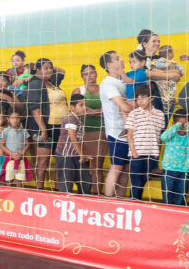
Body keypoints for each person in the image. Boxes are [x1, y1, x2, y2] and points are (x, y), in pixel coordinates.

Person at [25, 58, 65, 190]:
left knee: (60, 161)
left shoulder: (51, 82)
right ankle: (39, 190)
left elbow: (62, 71)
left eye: (50, 68)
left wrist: (47, 70)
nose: (49, 70)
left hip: (60, 127)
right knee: (43, 162)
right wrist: (43, 130)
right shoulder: (35, 84)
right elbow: (35, 109)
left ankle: (59, 190)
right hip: (46, 128)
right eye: (45, 68)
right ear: (37, 69)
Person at [99, 51, 133, 198]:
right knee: (117, 167)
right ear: (109, 65)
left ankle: (121, 199)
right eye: (117, 59)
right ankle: (108, 200)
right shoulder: (108, 83)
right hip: (117, 132)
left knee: (126, 168)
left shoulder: (124, 81)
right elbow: (124, 107)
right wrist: (140, 106)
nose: (122, 60)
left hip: (129, 131)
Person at [125, 86, 165, 201]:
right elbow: (129, 135)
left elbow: (159, 135)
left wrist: (156, 153)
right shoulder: (134, 114)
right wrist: (134, 153)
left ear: (152, 98)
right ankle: (133, 204)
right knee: (136, 183)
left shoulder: (160, 114)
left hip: (151, 155)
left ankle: (139, 204)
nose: (140, 101)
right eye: (137, 99)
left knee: (143, 180)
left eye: (143, 98)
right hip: (137, 153)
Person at [73, 65, 106, 195]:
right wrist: (100, 112)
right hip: (83, 132)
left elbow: (110, 110)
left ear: (96, 74)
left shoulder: (104, 88)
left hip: (101, 131)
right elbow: (79, 113)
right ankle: (84, 194)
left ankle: (97, 196)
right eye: (86, 74)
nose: (89, 76)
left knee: (97, 167)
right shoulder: (78, 91)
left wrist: (92, 111)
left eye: (91, 73)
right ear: (82, 76)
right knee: (83, 166)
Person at [159, 106, 189, 206]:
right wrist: (176, 127)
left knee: (180, 199)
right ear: (174, 124)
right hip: (169, 170)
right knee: (167, 198)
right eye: (179, 125)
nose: (182, 128)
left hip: (184, 171)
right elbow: (163, 137)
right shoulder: (171, 135)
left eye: (185, 125)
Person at [56, 93, 88, 194]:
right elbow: (73, 138)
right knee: (66, 184)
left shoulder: (80, 121)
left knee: (86, 182)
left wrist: (84, 154)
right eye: (81, 105)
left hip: (76, 155)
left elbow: (80, 140)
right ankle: (64, 201)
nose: (85, 107)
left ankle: (82, 201)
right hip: (65, 156)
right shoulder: (70, 118)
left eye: (85, 105)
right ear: (72, 107)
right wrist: (82, 154)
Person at [1, 110, 30, 187]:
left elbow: (27, 144)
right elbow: (2, 145)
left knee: (19, 181)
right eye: (13, 118)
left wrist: (21, 153)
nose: (15, 120)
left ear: (20, 118)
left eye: (17, 118)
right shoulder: (6, 131)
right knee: (9, 180)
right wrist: (11, 154)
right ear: (8, 119)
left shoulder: (24, 131)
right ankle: (8, 194)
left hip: (20, 158)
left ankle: (19, 193)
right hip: (10, 159)